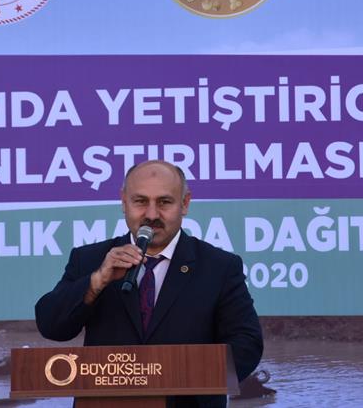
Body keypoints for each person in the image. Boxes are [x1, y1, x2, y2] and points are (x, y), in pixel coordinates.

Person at [35, 160, 263, 408]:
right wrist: (96, 282)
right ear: (124, 202)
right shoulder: (89, 259)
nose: (152, 215)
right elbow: (51, 325)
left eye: (164, 202)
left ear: (185, 204)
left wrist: (182, 376)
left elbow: (247, 344)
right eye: (141, 201)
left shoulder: (219, 267)